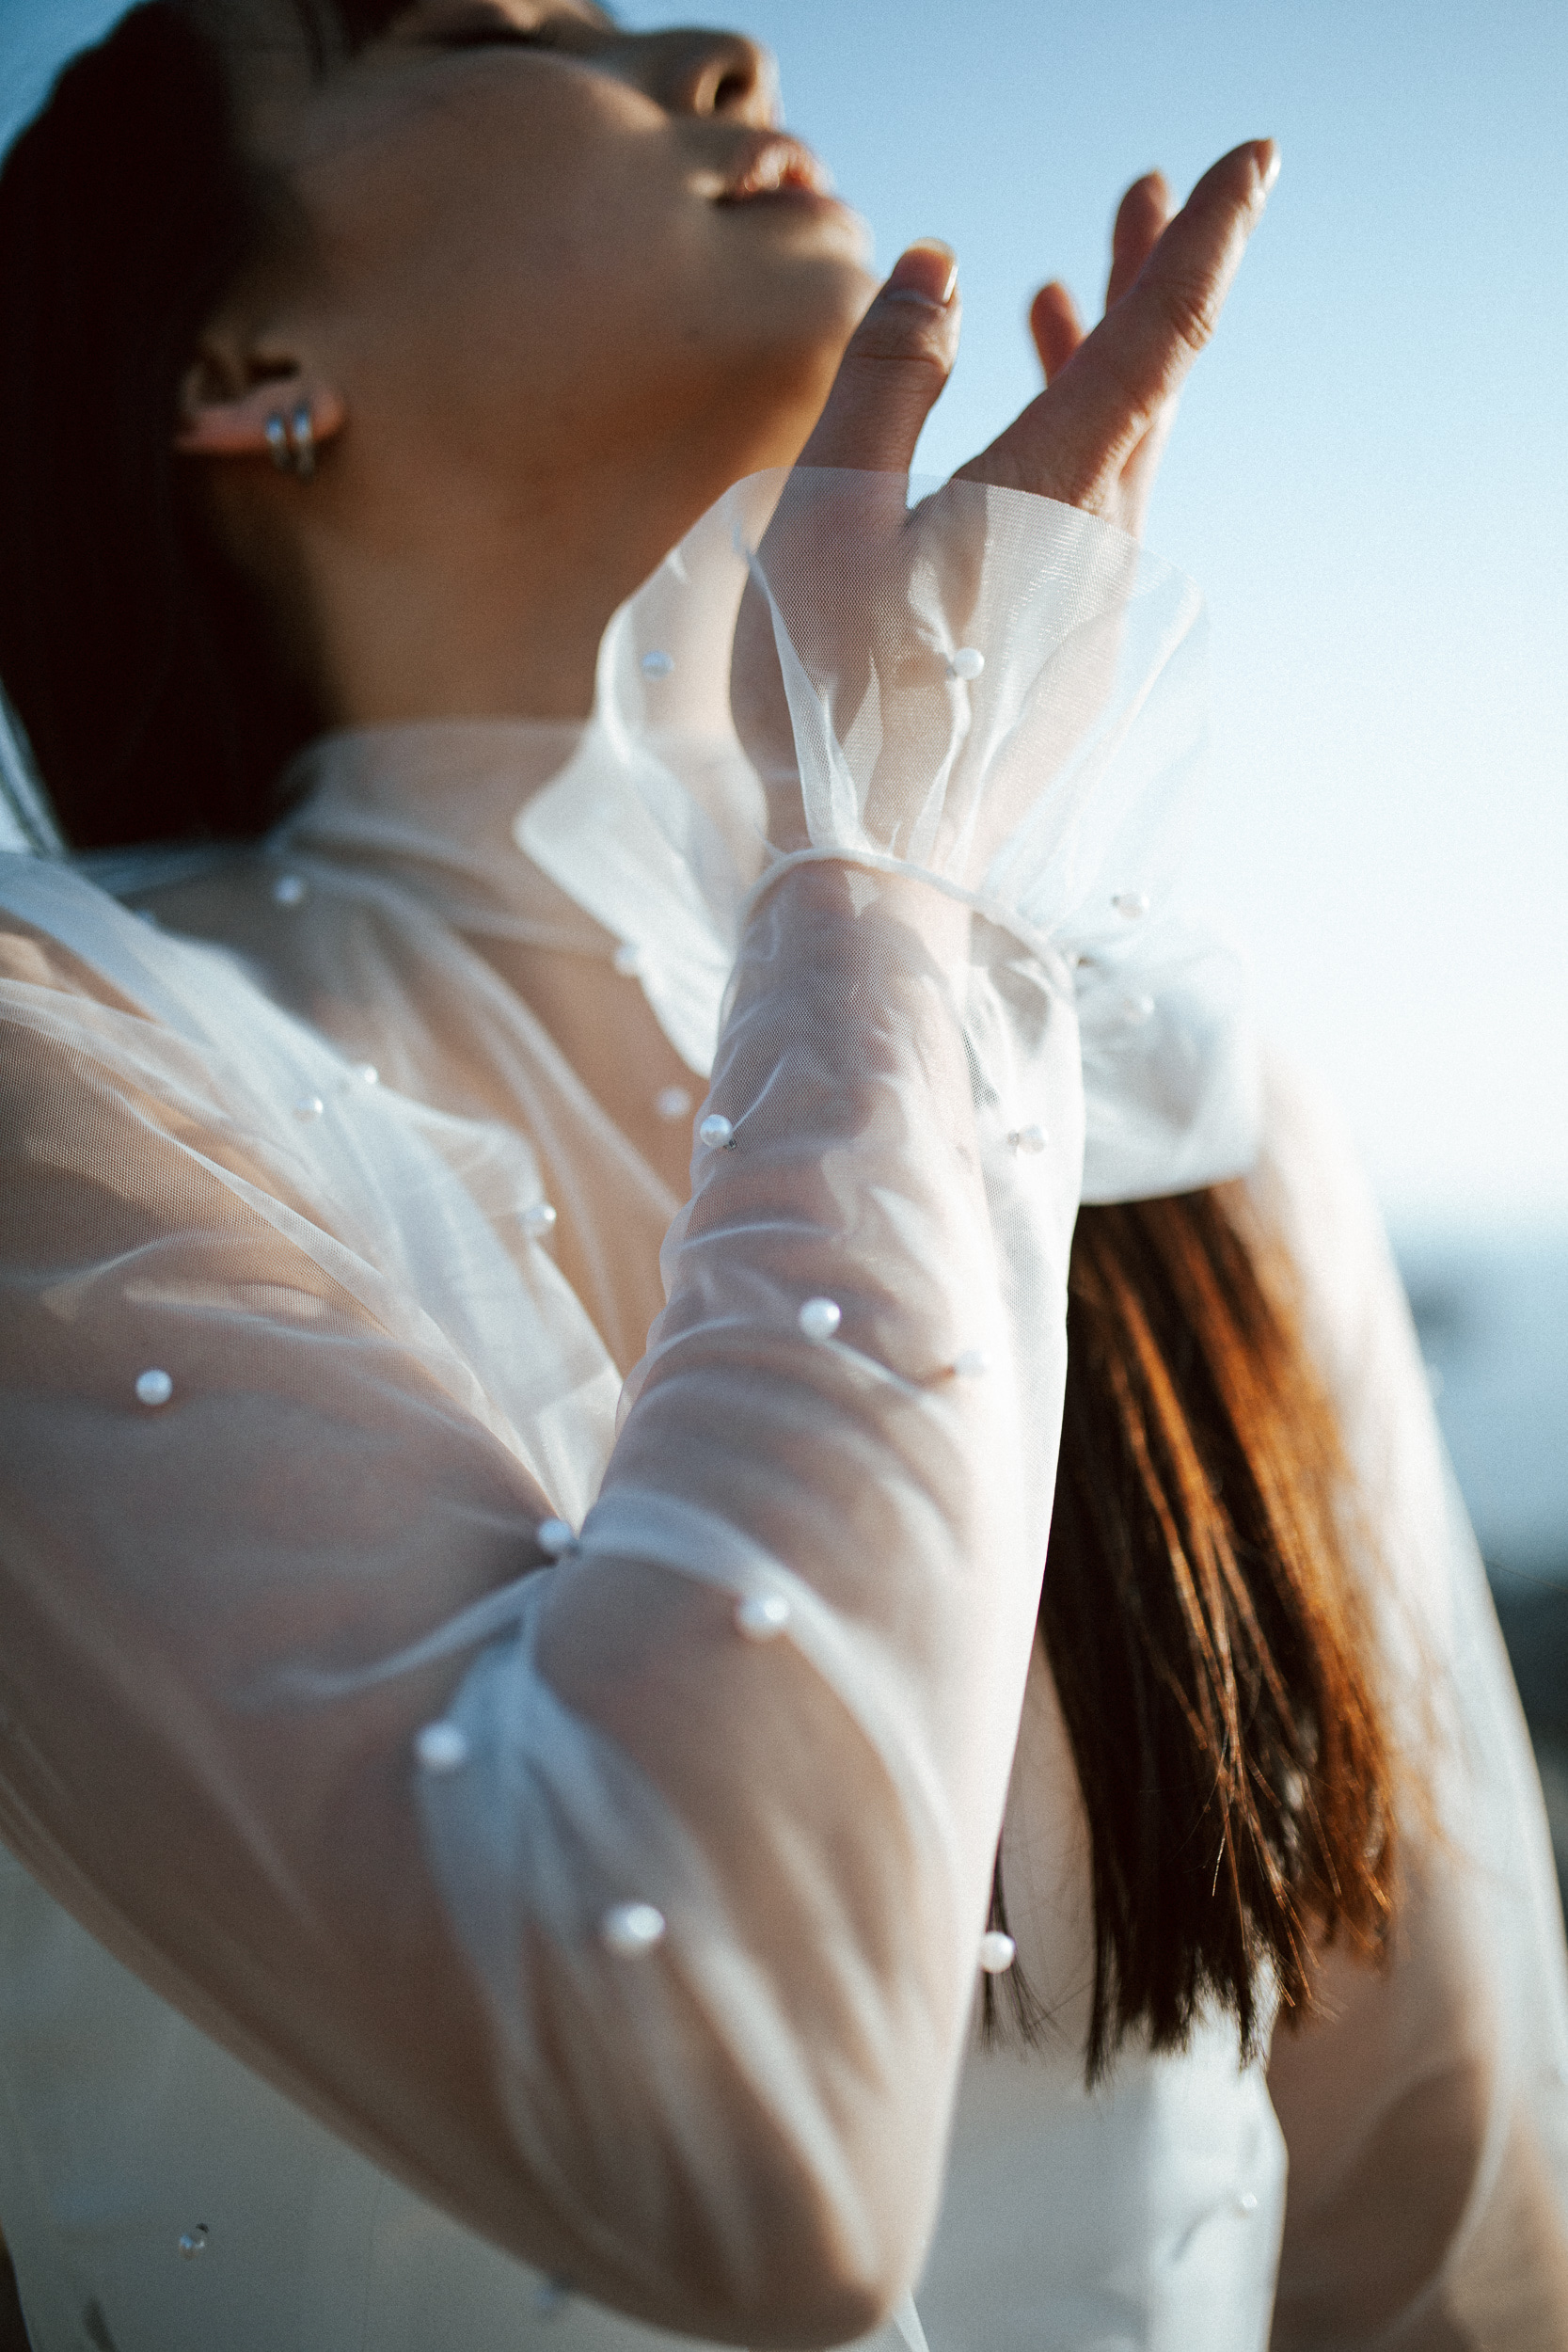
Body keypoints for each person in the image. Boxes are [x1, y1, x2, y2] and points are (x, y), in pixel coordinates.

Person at [0, 4, 1564, 2348]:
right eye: (460, 24)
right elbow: (718, 2136)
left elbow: (1428, 2216)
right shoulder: (58, 1064)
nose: (714, 44)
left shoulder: (1135, 1073)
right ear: (237, 362)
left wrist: (895, 896)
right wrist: (874, 860)